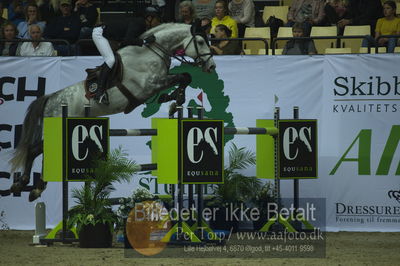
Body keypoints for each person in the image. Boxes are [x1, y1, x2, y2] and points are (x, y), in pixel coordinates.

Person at [91, 6, 162, 104]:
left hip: (112, 37)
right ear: (149, 18)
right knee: (110, 60)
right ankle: (99, 93)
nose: (158, 23)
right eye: (157, 19)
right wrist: (145, 41)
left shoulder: (143, 26)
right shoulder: (139, 23)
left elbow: (127, 42)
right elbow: (128, 40)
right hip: (100, 34)